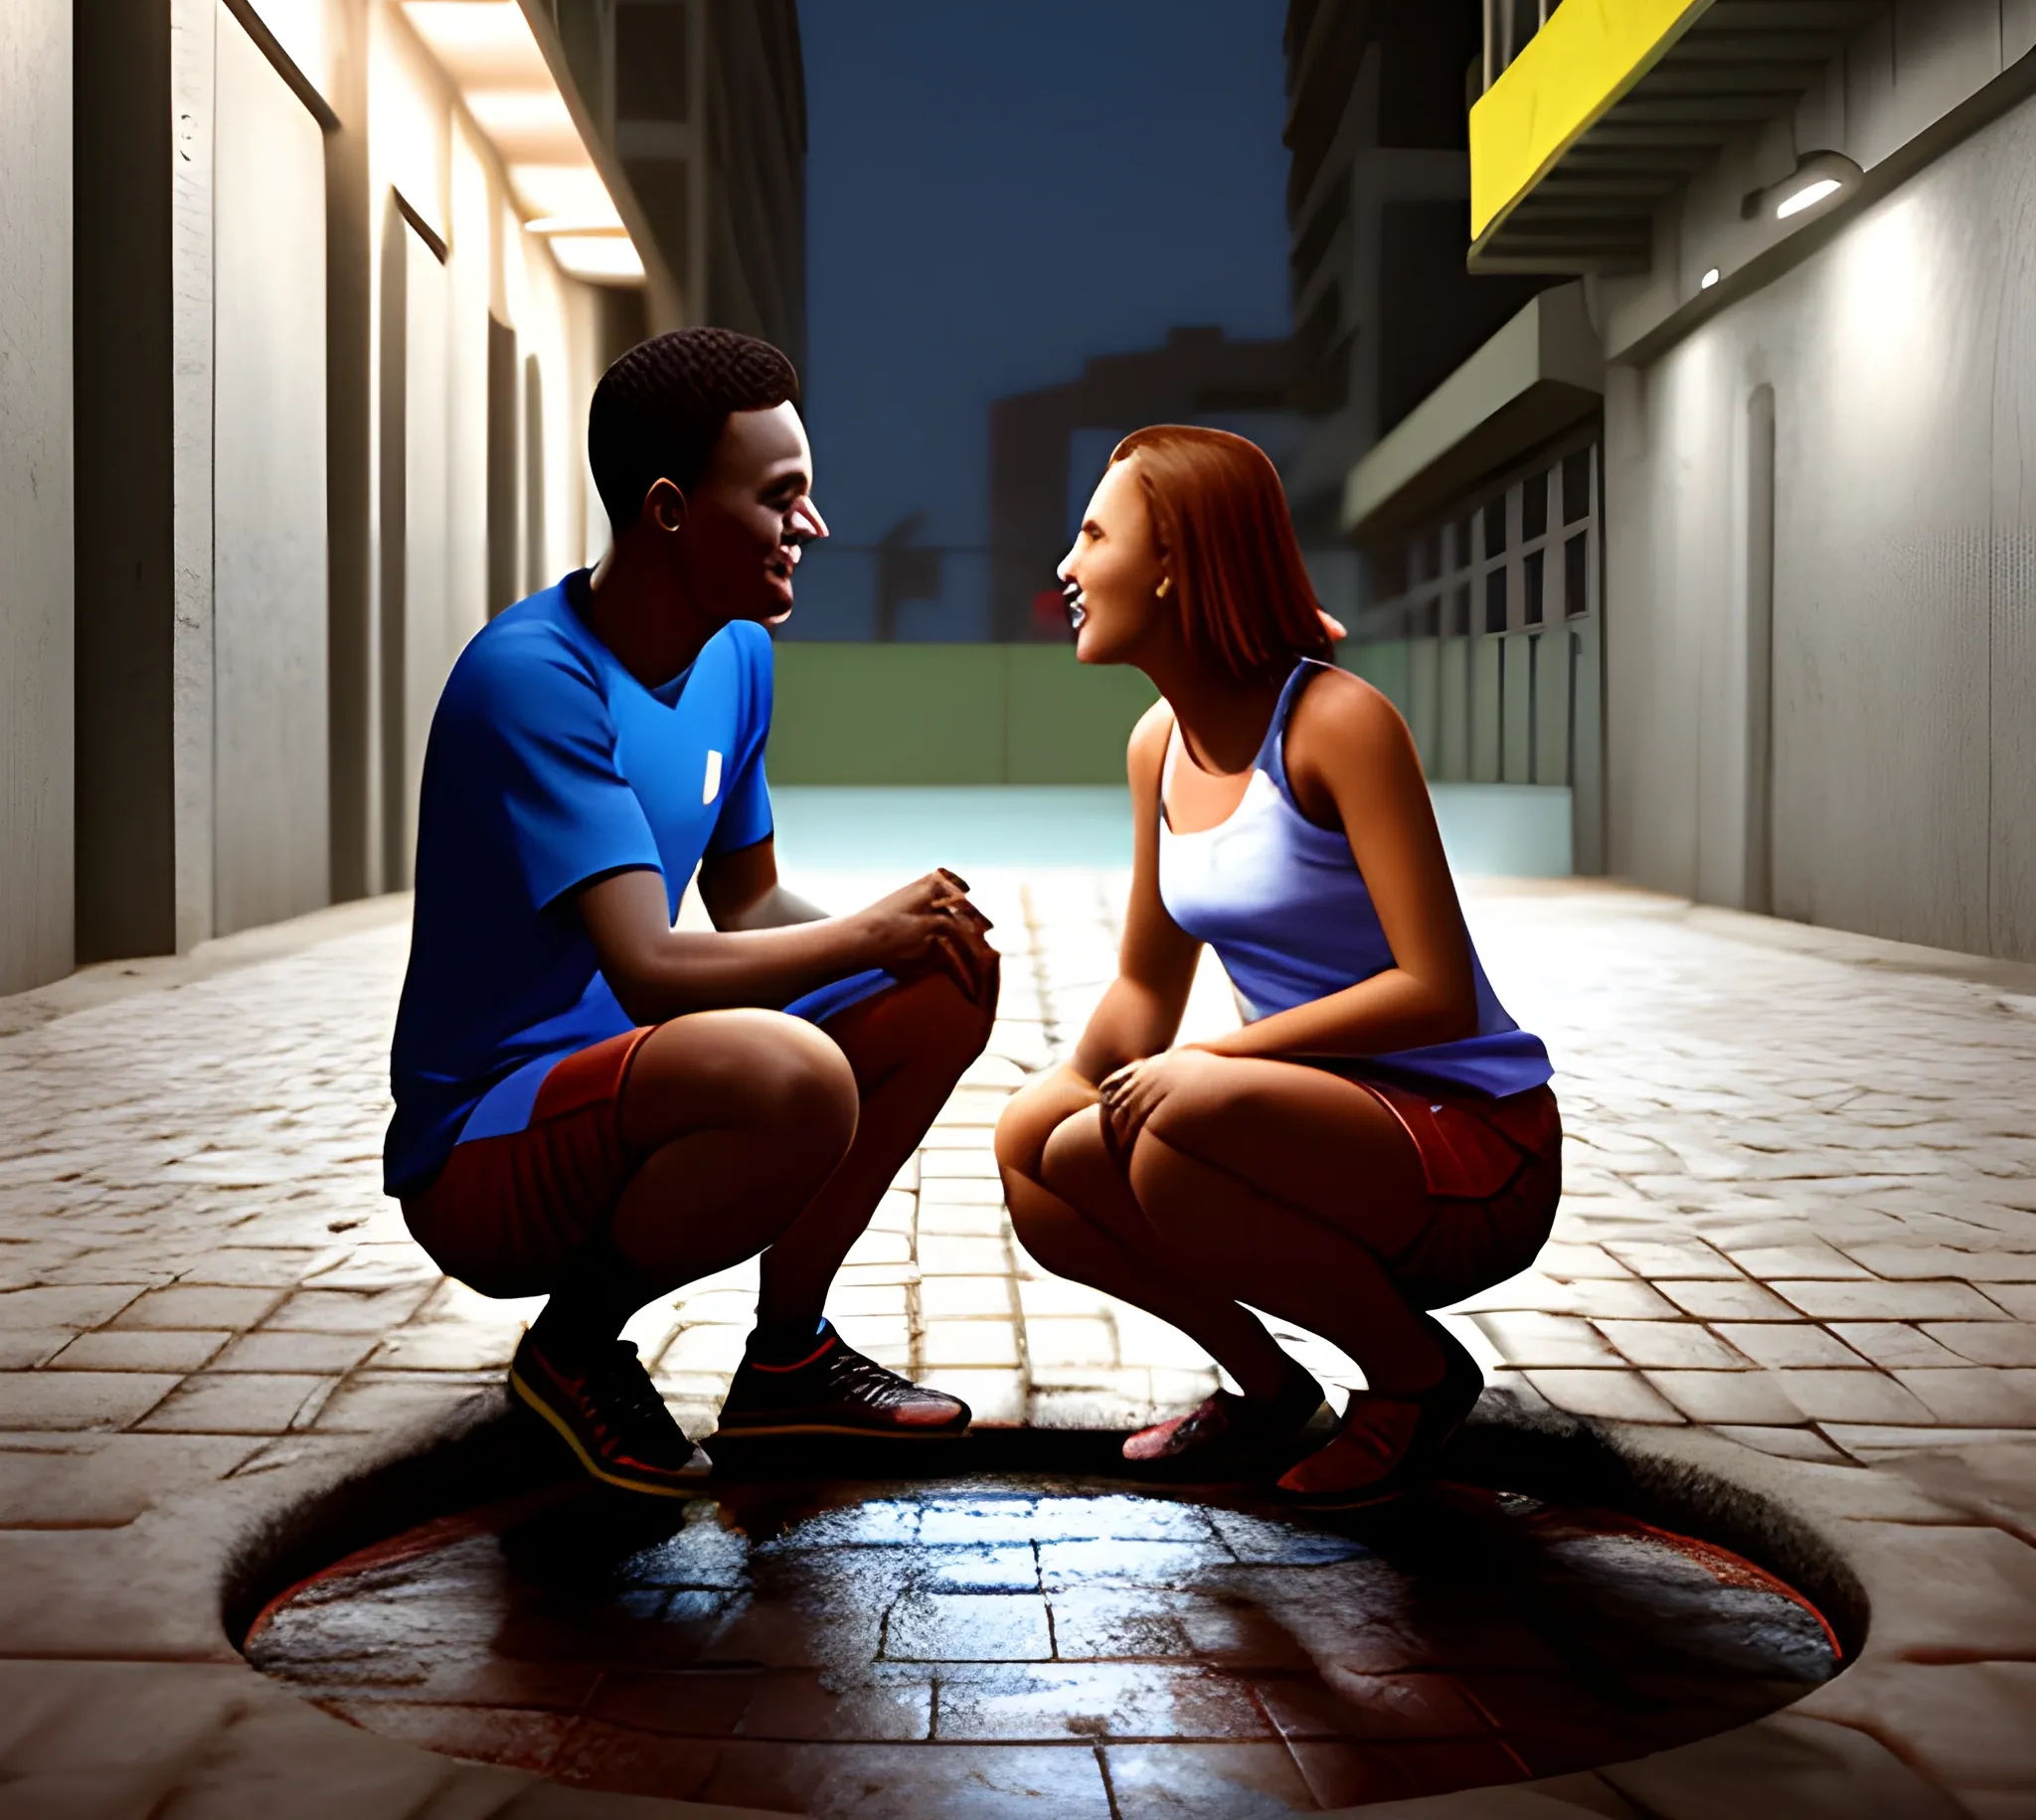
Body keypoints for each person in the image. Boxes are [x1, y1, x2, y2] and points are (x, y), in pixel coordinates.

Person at [386, 328, 999, 1497]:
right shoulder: (532, 677)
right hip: (488, 1149)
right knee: (795, 1072)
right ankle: (573, 1347)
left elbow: (751, 899)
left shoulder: (735, 656)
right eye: (779, 499)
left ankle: (788, 1357)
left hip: (627, 1070)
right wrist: (871, 928)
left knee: (942, 977)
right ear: (668, 510)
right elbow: (653, 965)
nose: (808, 528)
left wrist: (905, 949)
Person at [994, 426, 1558, 1509]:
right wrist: (1062, 1101)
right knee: (1039, 1148)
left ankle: (1412, 1378)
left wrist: (1211, 1060)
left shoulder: (1338, 724)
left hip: (1472, 1145)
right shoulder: (1155, 743)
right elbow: (1144, 988)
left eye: (1093, 533)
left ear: (1173, 565)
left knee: (1175, 1135)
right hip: (1303, 1121)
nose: (1065, 566)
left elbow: (1430, 987)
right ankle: (1266, 1388)